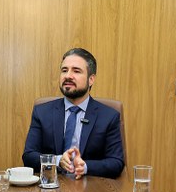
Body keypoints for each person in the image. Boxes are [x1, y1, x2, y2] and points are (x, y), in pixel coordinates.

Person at [22, 48, 125, 179]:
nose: (68, 76)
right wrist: (57, 160)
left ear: (91, 79)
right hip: (50, 189)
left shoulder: (109, 116)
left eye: (76, 71)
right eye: (64, 70)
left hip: (93, 191)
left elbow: (116, 163)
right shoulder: (42, 112)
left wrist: (85, 166)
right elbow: (29, 156)